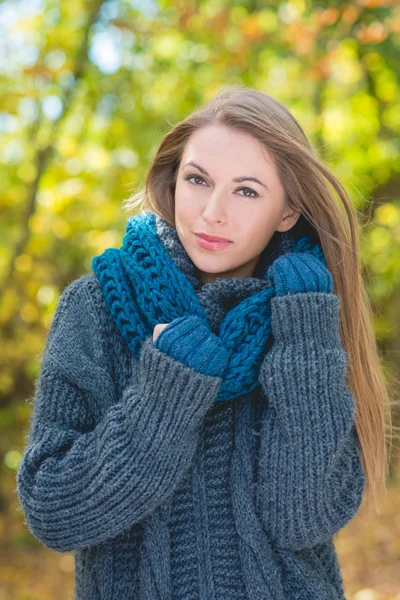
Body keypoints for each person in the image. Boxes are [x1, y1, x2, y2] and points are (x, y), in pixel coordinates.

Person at [15, 86, 391, 600]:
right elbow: (53, 511)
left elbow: (302, 518)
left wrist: (304, 342)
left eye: (247, 191)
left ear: (287, 212)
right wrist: (164, 398)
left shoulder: (306, 313)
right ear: (173, 183)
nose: (213, 212)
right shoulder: (97, 307)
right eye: (198, 180)